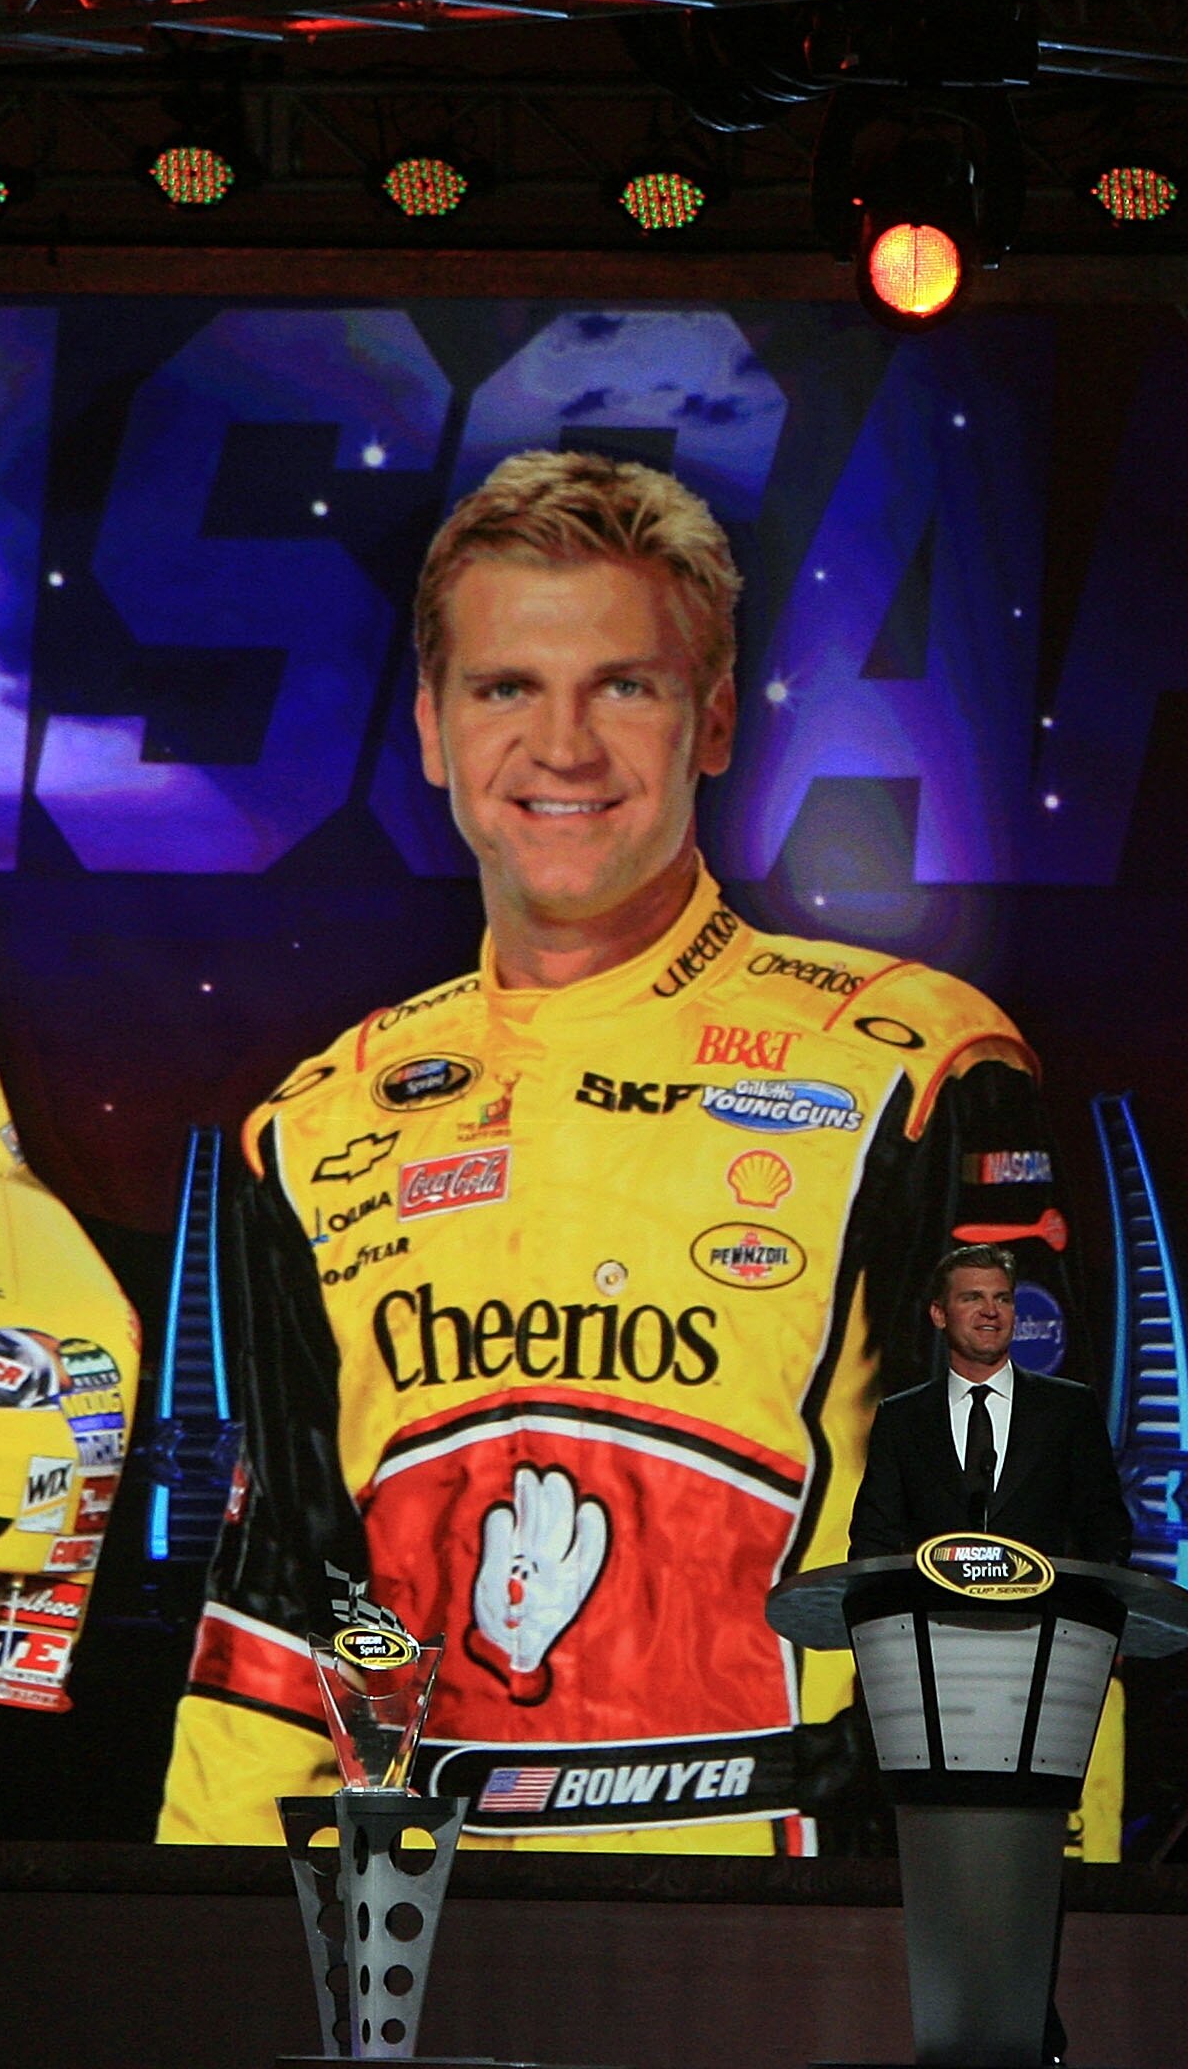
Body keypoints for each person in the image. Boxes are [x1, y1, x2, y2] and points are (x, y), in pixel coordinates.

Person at [153, 449, 1080, 1855]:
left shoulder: (919, 1068)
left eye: (624, 687)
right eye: (507, 688)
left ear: (711, 722)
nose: (565, 748)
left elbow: (1032, 1576)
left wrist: (1013, 1986)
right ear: (429, 727)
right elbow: (284, 1601)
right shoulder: (314, 1123)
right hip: (418, 1944)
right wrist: (205, 1967)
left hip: (789, 1955)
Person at [850, 1245, 1131, 1564]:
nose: (990, 1311)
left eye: (1002, 1298)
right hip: (933, 1611)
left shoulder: (1069, 1409)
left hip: (1041, 1611)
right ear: (939, 1314)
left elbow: (1105, 1530)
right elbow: (873, 1538)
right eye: (972, 1298)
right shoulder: (901, 1418)